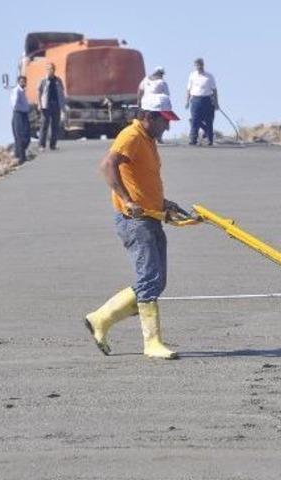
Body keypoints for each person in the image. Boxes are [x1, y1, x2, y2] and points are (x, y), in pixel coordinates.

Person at [84, 93, 197, 359]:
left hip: (151, 216)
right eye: (163, 120)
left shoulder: (147, 139)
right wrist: (126, 200)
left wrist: (163, 202)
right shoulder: (131, 136)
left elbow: (141, 179)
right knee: (149, 279)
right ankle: (152, 343)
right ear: (147, 116)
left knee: (156, 280)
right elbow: (107, 165)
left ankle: (100, 318)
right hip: (135, 220)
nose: (167, 126)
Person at [185, 58, 218, 146]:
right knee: (195, 120)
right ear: (195, 66)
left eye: (200, 64)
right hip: (195, 100)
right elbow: (188, 89)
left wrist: (216, 103)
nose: (199, 66)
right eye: (197, 65)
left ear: (203, 65)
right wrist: (187, 101)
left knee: (209, 120)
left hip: (207, 99)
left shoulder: (209, 76)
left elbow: (214, 90)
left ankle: (209, 139)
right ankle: (193, 139)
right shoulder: (192, 75)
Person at [37, 63, 66, 151]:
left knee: (55, 126)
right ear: (46, 70)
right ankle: (41, 145)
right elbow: (39, 92)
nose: (50, 70)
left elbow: (62, 93)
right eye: (48, 69)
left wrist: (63, 106)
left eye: (52, 69)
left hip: (56, 105)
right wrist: (39, 104)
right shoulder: (43, 80)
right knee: (44, 125)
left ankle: (53, 145)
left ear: (54, 70)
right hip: (46, 105)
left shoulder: (58, 80)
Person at [138, 67, 170, 143]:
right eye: (161, 74)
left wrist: (139, 101)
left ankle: (148, 138)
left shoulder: (145, 80)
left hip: (146, 104)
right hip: (157, 105)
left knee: (147, 121)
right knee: (159, 121)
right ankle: (158, 138)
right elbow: (167, 95)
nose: (162, 75)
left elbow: (140, 91)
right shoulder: (162, 82)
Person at [10, 75, 31, 165]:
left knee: (26, 136)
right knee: (20, 136)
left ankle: (19, 154)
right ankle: (21, 158)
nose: (23, 83)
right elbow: (15, 104)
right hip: (18, 114)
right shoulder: (16, 91)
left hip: (24, 114)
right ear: (18, 82)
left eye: (24, 81)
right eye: (21, 81)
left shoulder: (22, 91)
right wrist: (22, 108)